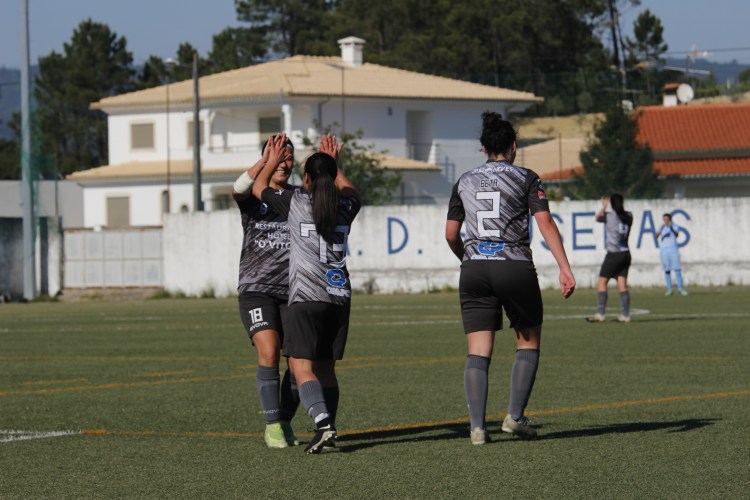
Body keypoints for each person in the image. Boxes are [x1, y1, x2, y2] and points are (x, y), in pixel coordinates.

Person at [445, 111, 576, 445]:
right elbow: (545, 222)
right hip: (514, 266)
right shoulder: (526, 177)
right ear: (514, 146)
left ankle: (477, 428)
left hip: (474, 269)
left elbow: (450, 234)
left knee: (478, 349)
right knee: (527, 342)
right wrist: (564, 267)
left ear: (483, 148)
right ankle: (515, 417)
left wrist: (469, 259)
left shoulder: (464, 181)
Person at [252, 134, 361, 454]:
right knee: (326, 369)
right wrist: (334, 165)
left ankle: (324, 426)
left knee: (301, 366)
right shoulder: (345, 206)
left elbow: (258, 187)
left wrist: (271, 160)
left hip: (307, 297)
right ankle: (330, 428)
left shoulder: (296, 201)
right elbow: (352, 191)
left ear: (308, 179)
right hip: (338, 297)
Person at [232, 135, 300, 449]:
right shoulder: (252, 198)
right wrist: (266, 161)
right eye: (278, 158)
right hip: (256, 290)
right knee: (270, 351)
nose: (284, 164)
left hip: (295, 291)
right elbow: (237, 189)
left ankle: (284, 421)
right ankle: (272, 426)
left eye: (289, 158)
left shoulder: (298, 197)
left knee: (299, 362)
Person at [586, 194, 633, 323]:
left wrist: (603, 207)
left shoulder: (610, 215)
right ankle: (625, 315)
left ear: (611, 203)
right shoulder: (629, 215)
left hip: (613, 254)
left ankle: (600, 314)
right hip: (626, 254)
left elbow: (597, 218)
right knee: (622, 284)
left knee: (601, 283)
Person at [656, 213, 688, 296]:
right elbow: (656, 236)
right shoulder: (661, 227)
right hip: (664, 251)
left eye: (667, 219)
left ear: (670, 219)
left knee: (677, 269)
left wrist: (671, 227)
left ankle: (680, 288)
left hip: (673, 250)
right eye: (664, 219)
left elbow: (677, 235)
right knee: (667, 270)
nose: (665, 221)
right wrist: (660, 230)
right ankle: (669, 289)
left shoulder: (674, 226)